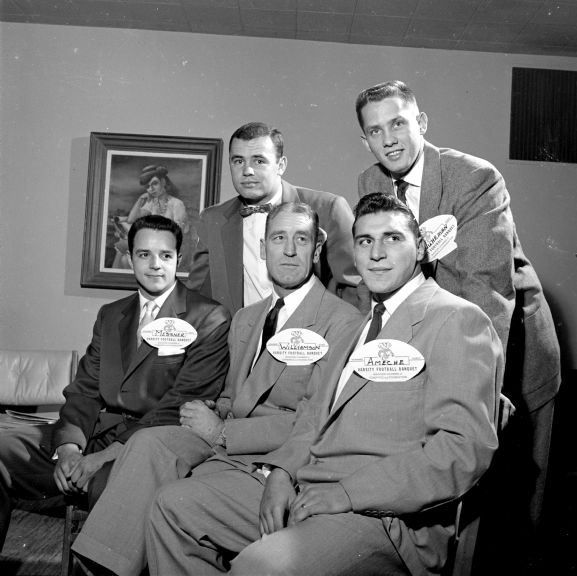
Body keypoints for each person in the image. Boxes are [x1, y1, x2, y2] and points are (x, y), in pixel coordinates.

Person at [146, 193, 503, 576]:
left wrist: (346, 494)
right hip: (307, 490)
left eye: (392, 238)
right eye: (365, 241)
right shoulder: (354, 327)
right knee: (173, 509)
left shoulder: (456, 319)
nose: (377, 253)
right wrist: (282, 474)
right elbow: (313, 417)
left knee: (261, 566)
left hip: (382, 516)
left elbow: (463, 450)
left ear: (420, 248)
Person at [70, 203, 363, 576]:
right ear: (262, 248)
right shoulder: (248, 317)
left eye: (301, 239)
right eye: (278, 238)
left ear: (316, 250)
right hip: (223, 439)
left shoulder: (343, 322)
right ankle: (100, 564)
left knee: (170, 501)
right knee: (148, 442)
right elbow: (231, 396)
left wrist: (222, 430)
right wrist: (214, 409)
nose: (289, 250)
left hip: (270, 452)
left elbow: (316, 420)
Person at [355, 80, 561, 570]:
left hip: (509, 349)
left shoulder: (473, 178)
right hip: (438, 337)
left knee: (509, 518)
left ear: (421, 124)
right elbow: (385, 275)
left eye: (398, 123)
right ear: (365, 140)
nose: (389, 139)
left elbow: (485, 289)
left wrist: (475, 384)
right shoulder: (371, 182)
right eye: (375, 130)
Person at [0, 215, 230, 549]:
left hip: (148, 446)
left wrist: (103, 457)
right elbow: (85, 390)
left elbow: (181, 405)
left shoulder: (209, 317)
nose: (154, 265)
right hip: (93, 434)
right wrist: (68, 448)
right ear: (129, 258)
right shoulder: (112, 314)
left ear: (178, 260)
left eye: (165, 256)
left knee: (109, 494)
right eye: (143, 255)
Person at [187, 122, 362, 314]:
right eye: (238, 161)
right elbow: (197, 296)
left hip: (313, 338)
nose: (247, 171)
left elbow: (355, 287)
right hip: (242, 339)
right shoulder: (213, 219)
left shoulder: (328, 208)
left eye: (258, 161)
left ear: (281, 165)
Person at [110, 165, 189, 270]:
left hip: (168, 245)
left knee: (125, 252)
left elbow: (179, 231)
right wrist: (140, 200)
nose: (151, 189)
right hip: (152, 242)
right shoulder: (152, 204)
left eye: (154, 183)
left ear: (164, 182)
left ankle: (113, 275)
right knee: (123, 251)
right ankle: (113, 275)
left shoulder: (177, 204)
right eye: (147, 186)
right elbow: (131, 219)